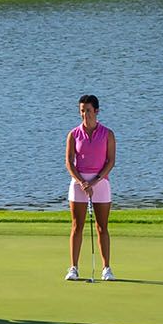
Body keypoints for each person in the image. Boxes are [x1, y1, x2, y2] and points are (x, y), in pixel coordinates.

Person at [64, 93, 118, 281]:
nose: (85, 115)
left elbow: (111, 161)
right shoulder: (73, 134)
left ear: (96, 111)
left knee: (102, 227)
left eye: (88, 111)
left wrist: (94, 181)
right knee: (77, 226)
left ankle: (106, 268)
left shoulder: (107, 134)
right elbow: (69, 162)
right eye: (82, 111)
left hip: (101, 182)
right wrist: (82, 182)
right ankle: (73, 268)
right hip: (79, 183)